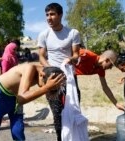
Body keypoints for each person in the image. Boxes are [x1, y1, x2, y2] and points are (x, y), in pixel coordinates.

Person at [0, 64, 65, 141]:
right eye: (46, 85)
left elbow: (21, 98)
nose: (47, 89)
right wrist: (46, 88)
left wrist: (51, 88)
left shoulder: (48, 71)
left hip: (18, 95)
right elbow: (22, 99)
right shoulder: (30, 68)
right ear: (41, 75)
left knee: (18, 127)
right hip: (1, 92)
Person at [37, 3, 81, 141]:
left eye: (52, 14)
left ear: (60, 15)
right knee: (57, 113)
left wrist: (71, 60)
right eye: (47, 15)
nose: (49, 18)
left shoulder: (73, 33)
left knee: (73, 111)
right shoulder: (44, 35)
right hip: (52, 79)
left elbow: (76, 55)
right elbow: (41, 57)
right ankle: (60, 138)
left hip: (70, 78)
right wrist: (51, 70)